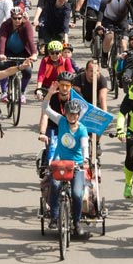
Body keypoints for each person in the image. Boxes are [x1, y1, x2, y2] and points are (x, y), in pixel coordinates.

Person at [41, 99, 92, 239]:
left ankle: (76, 223)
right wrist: (50, 93)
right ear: (66, 114)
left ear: (78, 115)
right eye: (69, 114)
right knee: (55, 185)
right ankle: (54, 217)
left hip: (76, 165)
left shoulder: (82, 129)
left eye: (75, 114)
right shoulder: (61, 121)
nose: (72, 117)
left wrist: (86, 160)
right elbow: (45, 108)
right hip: (60, 163)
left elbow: (84, 147)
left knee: (76, 194)